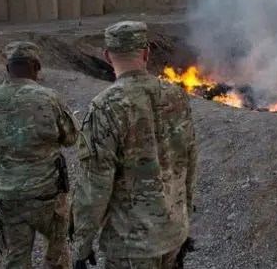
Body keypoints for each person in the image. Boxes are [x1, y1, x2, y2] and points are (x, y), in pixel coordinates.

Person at [71, 21, 198, 269]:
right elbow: (190, 162)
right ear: (146, 53)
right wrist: (184, 220)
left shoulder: (106, 106)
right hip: (173, 234)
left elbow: (95, 184)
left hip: (131, 245)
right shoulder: (177, 95)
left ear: (107, 56)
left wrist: (82, 244)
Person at [0, 41, 79, 269]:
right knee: (58, 255)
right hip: (47, 195)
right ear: (36, 65)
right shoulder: (50, 99)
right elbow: (71, 138)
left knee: (15, 258)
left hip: (8, 196)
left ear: (8, 67)